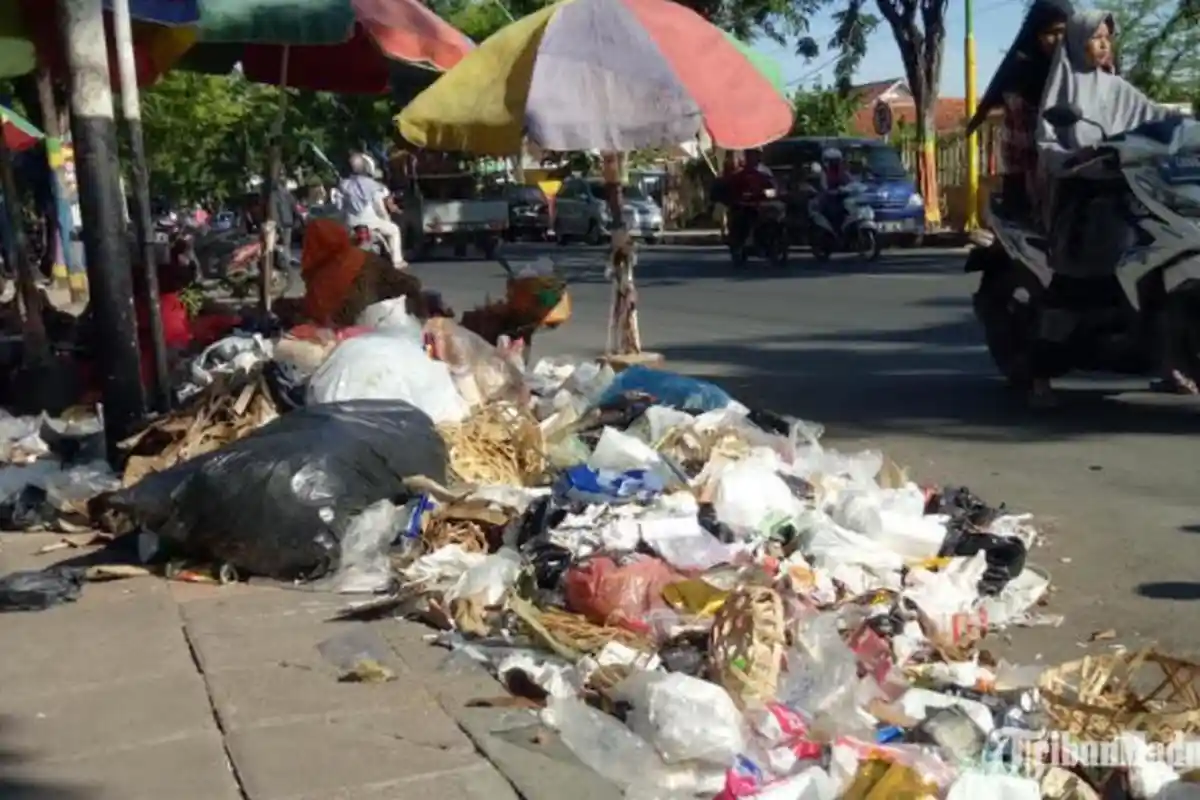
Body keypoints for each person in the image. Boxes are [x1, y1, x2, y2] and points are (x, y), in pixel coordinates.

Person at [1031, 9, 1179, 403]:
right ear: (1077, 42)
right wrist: (1074, 158)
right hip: (1080, 200)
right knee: (1074, 291)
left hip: (1127, 194)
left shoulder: (1115, 88)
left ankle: (1170, 364)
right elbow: (1047, 145)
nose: (1102, 44)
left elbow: (1156, 115)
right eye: (1094, 37)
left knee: (1158, 274)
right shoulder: (1064, 89)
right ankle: (1040, 378)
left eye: (1107, 38)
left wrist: (1186, 125)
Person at [967, 0, 1073, 222]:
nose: (1057, 40)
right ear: (1036, 35)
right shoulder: (1022, 74)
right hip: (1029, 179)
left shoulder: (1082, 69)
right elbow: (1024, 144)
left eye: (1063, 31)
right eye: (1049, 33)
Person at [337, 153, 405, 269]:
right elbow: (379, 207)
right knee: (394, 230)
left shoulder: (343, 185)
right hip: (371, 222)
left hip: (350, 223)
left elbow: (339, 207)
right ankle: (397, 261)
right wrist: (386, 218)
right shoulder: (375, 186)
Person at [727, 149, 777, 248]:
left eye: (755, 154)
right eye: (750, 155)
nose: (752, 157)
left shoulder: (765, 171)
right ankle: (745, 240)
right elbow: (735, 188)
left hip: (763, 203)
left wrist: (772, 191)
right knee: (743, 217)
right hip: (746, 204)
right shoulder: (741, 173)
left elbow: (773, 185)